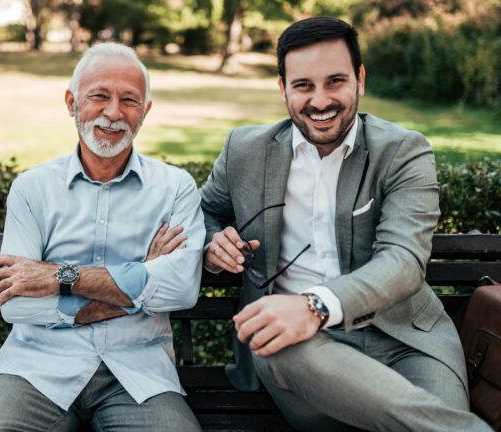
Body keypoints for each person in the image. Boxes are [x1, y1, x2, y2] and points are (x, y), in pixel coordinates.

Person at [199, 16, 492, 431]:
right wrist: (213, 243)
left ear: (360, 80)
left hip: (405, 344)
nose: (320, 101)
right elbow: (202, 213)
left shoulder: (404, 151)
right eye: (303, 86)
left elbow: (404, 261)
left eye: (335, 81)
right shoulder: (244, 151)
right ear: (282, 88)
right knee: (270, 338)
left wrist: (315, 306)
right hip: (300, 353)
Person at [0, 42, 205, 432]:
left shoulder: (175, 188)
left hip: (138, 373)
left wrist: (59, 276)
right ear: (72, 102)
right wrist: (140, 278)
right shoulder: (32, 189)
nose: (113, 113)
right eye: (99, 96)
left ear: (146, 111)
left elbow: (179, 290)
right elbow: (16, 306)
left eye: (129, 100)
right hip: (37, 369)